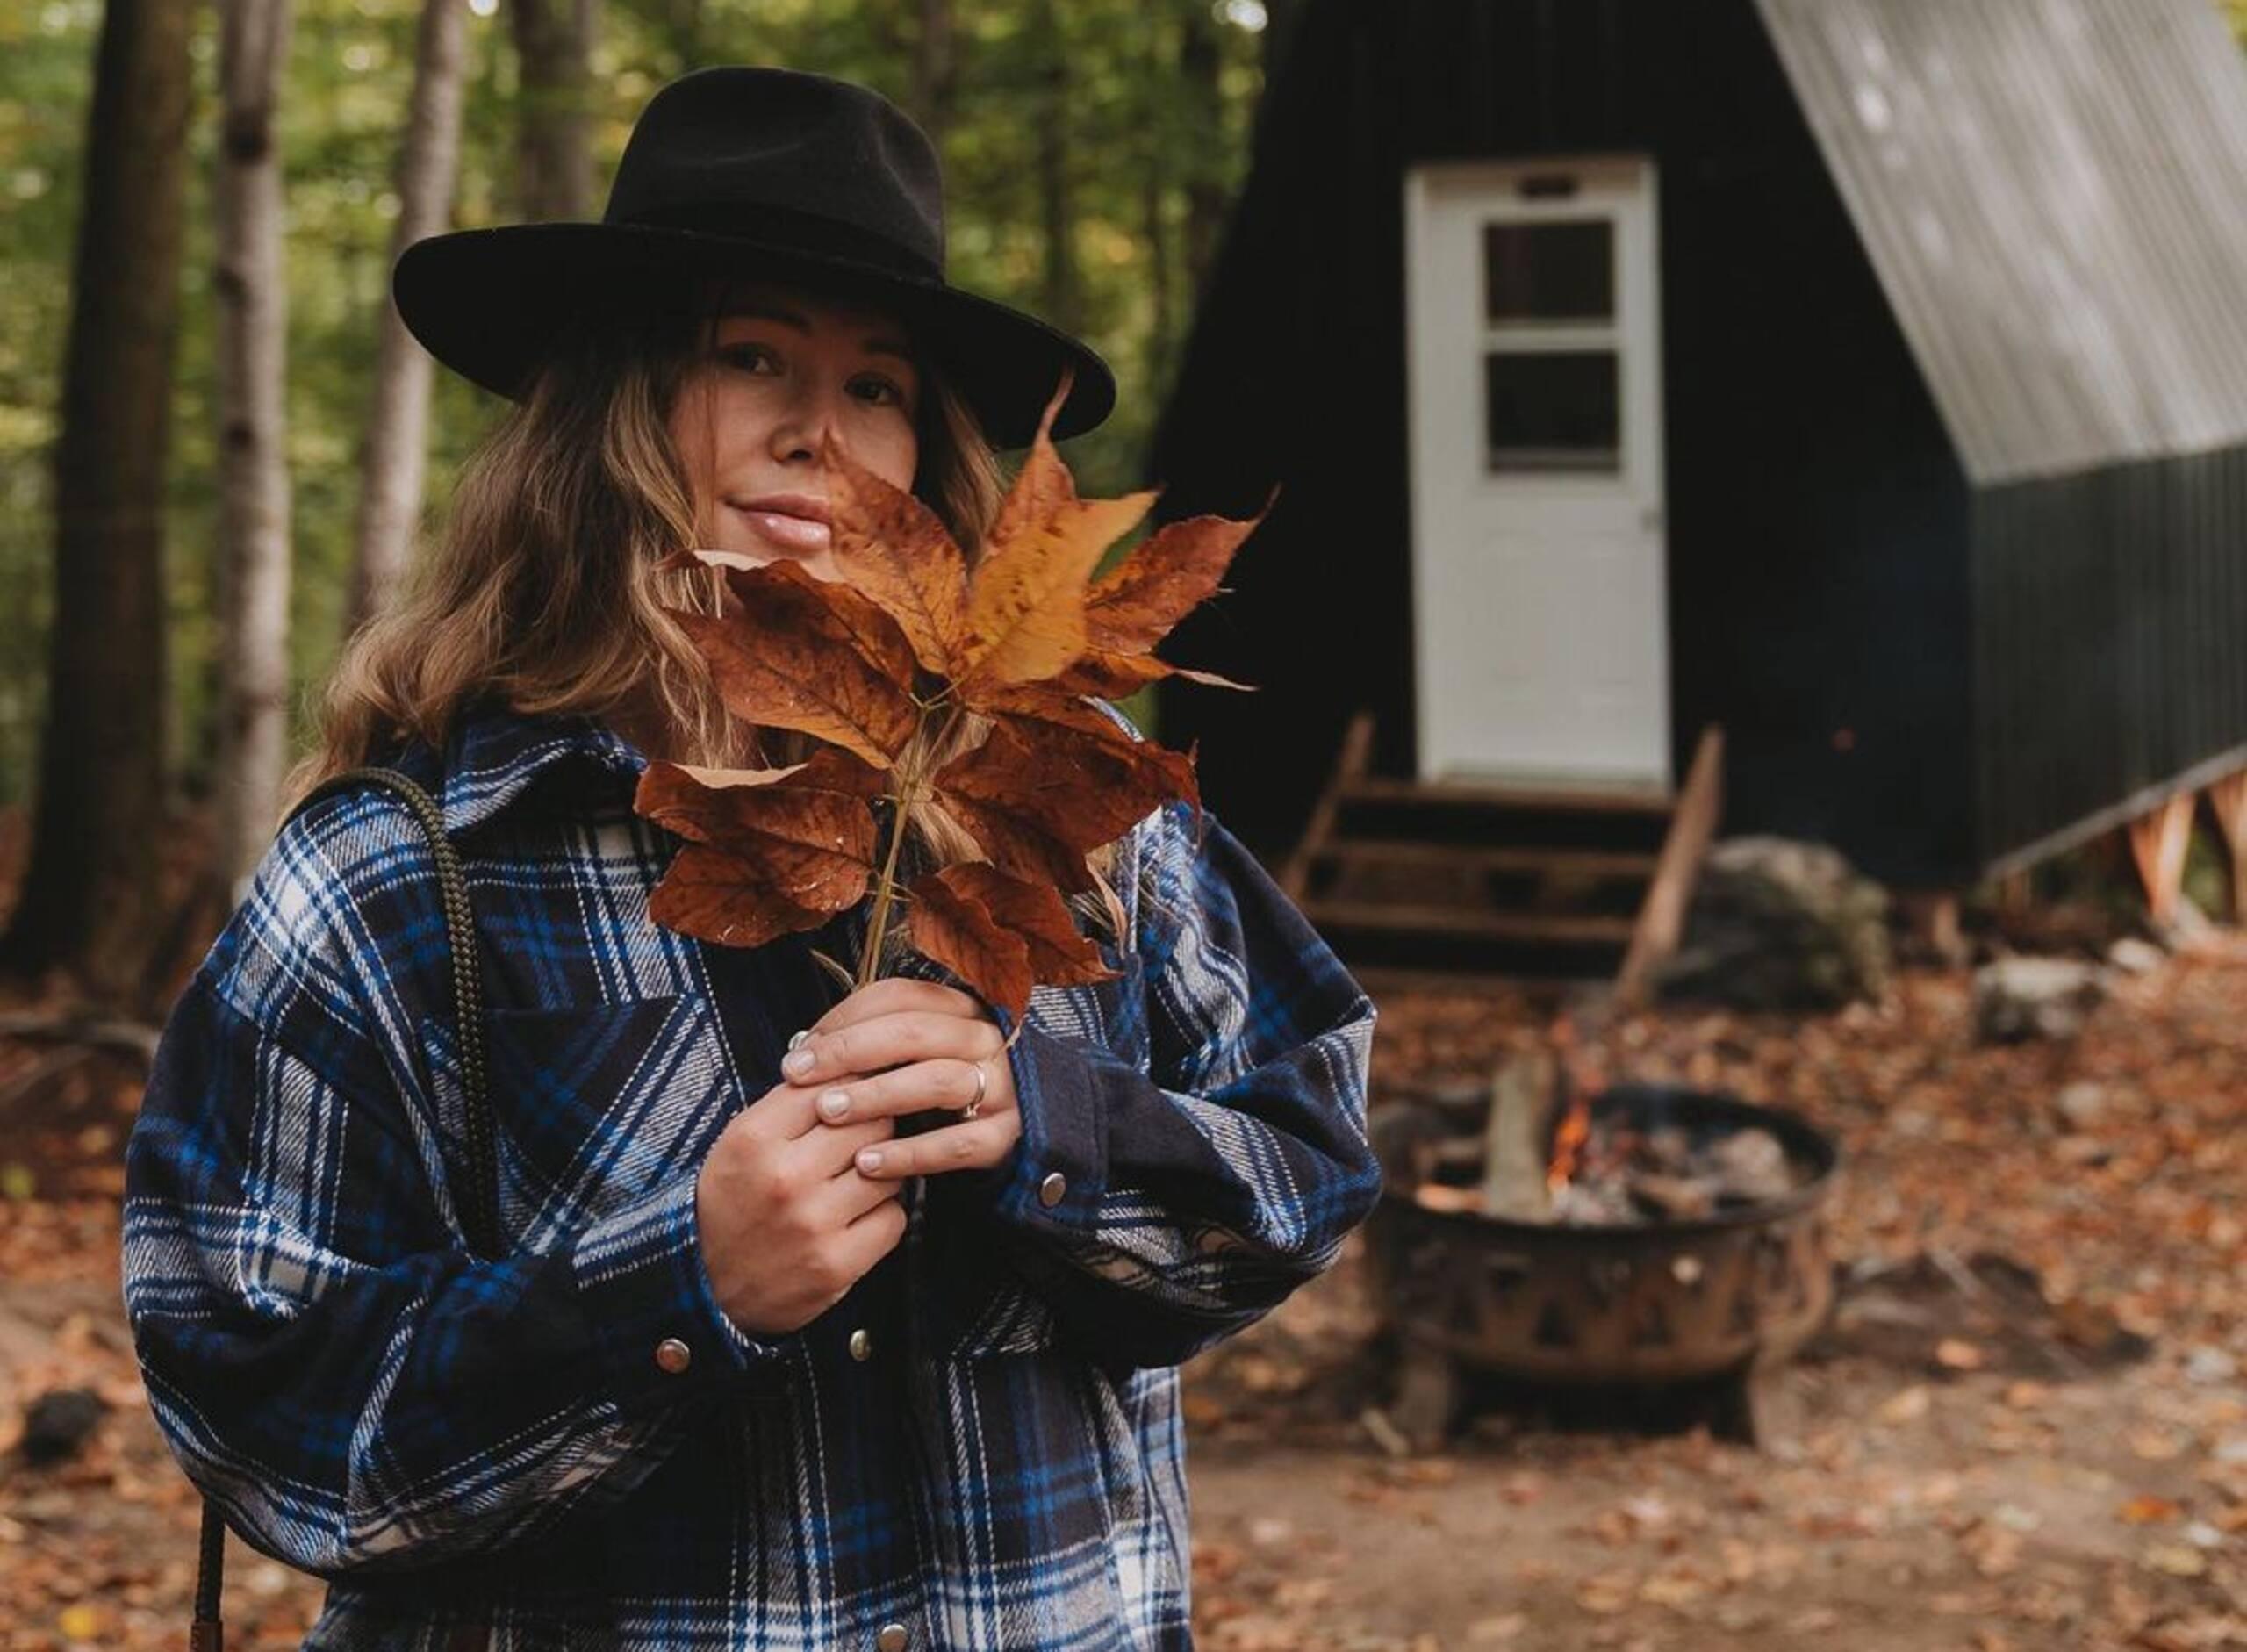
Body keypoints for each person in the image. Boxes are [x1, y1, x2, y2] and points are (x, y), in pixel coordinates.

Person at [123, 66, 1377, 1650]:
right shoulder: (399, 874)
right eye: (751, 356)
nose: (818, 432)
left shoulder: (1071, 817)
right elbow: (251, 1388)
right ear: (614, 405)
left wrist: (1041, 1126)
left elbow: (1309, 1152)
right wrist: (671, 1293)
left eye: (877, 386)